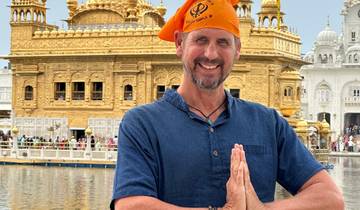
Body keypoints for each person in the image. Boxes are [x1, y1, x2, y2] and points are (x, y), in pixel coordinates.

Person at [111, 0, 344, 209]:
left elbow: (331, 198)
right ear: (179, 43)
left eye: (223, 42)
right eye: (200, 40)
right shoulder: (143, 124)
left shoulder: (267, 123)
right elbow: (130, 205)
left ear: (238, 50)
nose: (211, 54)